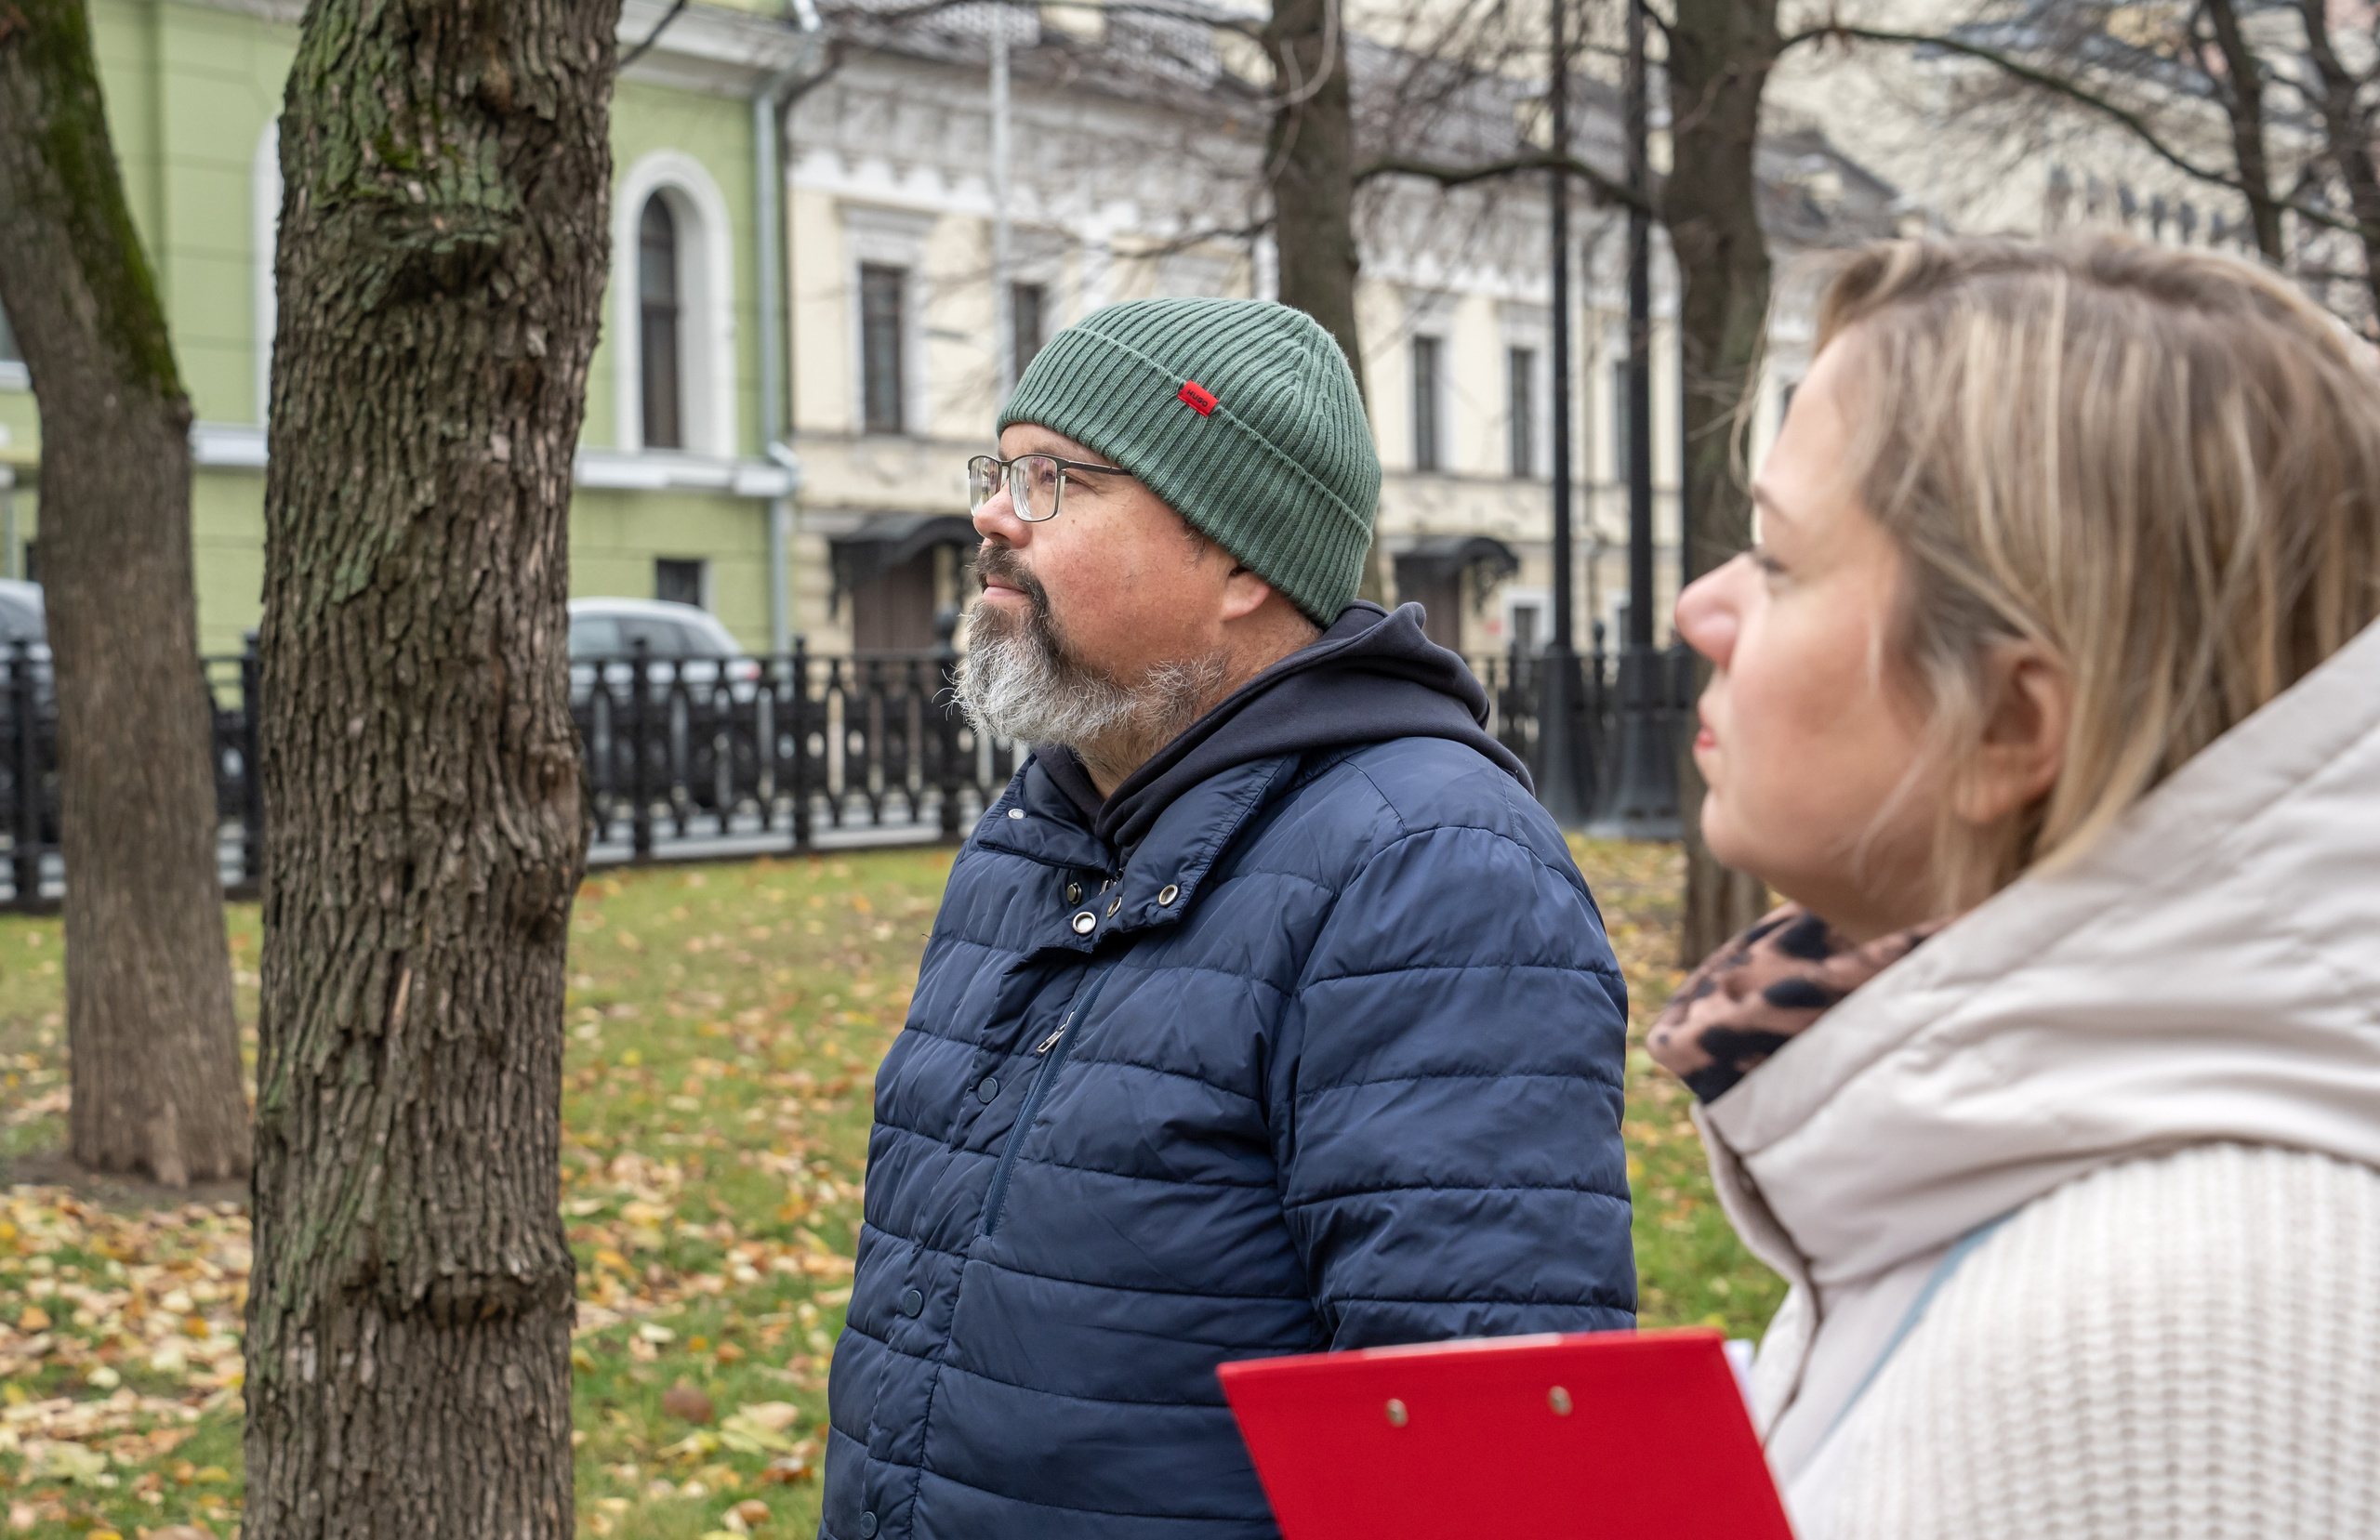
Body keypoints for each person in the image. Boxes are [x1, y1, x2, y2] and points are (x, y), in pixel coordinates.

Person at [820, 297, 1635, 1540]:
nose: (991, 515)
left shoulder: (1429, 868)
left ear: (1241, 560)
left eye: (1055, 482)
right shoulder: (1038, 831)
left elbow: (1480, 1463)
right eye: (999, 470)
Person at [1659, 233, 2380, 1540]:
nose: (1700, 608)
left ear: (2005, 718)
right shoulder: (2064, 1211)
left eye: (1775, 559)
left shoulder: (2180, 1328)